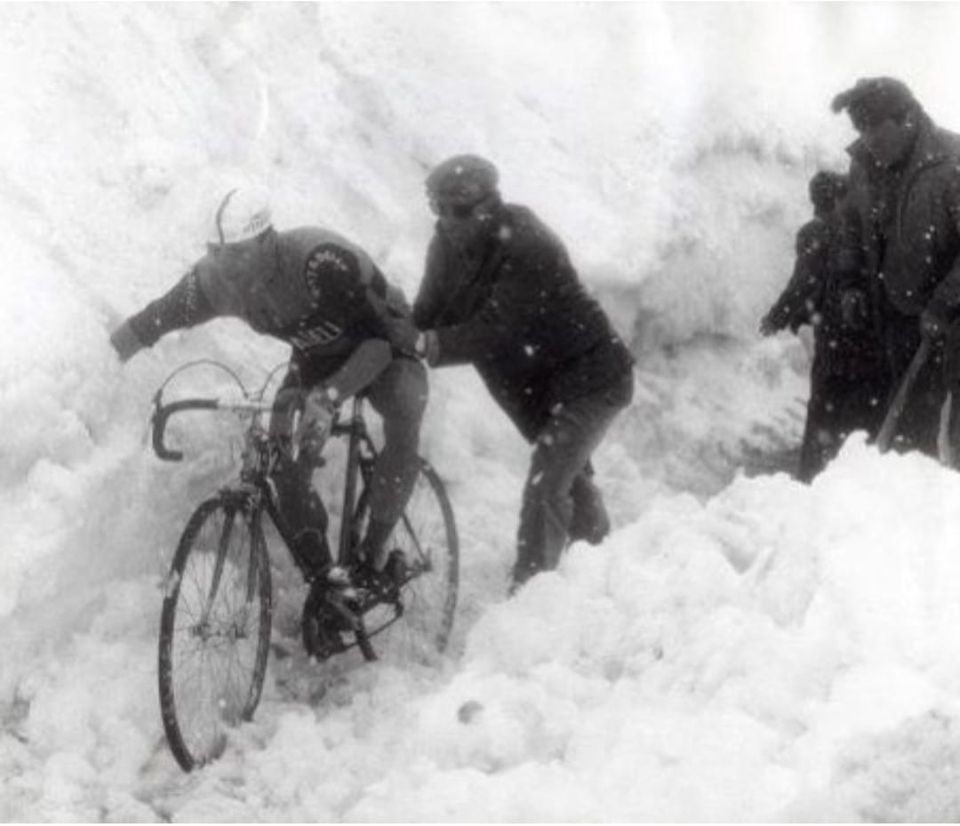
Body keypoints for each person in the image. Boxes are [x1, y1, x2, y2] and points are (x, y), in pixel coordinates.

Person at [109, 182, 426, 590]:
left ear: (267, 240)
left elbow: (379, 341)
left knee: (404, 407)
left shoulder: (320, 259)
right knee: (282, 459)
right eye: (216, 252)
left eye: (238, 253)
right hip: (315, 354)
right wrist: (103, 365)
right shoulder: (214, 280)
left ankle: (376, 549)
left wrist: (329, 398)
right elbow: (151, 322)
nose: (227, 266)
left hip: (383, 343)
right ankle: (327, 582)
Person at [399, 154, 634, 592]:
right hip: (531, 384)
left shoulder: (527, 243)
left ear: (490, 204)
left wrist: (430, 345)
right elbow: (428, 312)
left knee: (548, 482)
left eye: (461, 210)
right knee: (568, 477)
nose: (449, 221)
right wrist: (397, 332)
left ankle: (529, 597)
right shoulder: (446, 244)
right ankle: (603, 571)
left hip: (591, 376)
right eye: (439, 209)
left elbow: (497, 329)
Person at [832, 76, 960, 460]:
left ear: (906, 119)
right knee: (903, 417)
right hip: (895, 312)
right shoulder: (864, 164)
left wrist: (942, 305)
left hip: (952, 318)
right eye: (859, 127)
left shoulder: (950, 163)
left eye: (874, 126)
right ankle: (901, 490)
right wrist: (851, 281)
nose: (867, 138)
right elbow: (850, 224)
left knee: (944, 421)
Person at [761, 170, 888, 480]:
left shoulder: (815, 232)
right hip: (867, 337)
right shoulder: (865, 229)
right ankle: (854, 472)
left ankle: (812, 476)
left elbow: (804, 282)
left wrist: (777, 316)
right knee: (859, 411)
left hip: (834, 334)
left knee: (823, 410)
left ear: (817, 200)